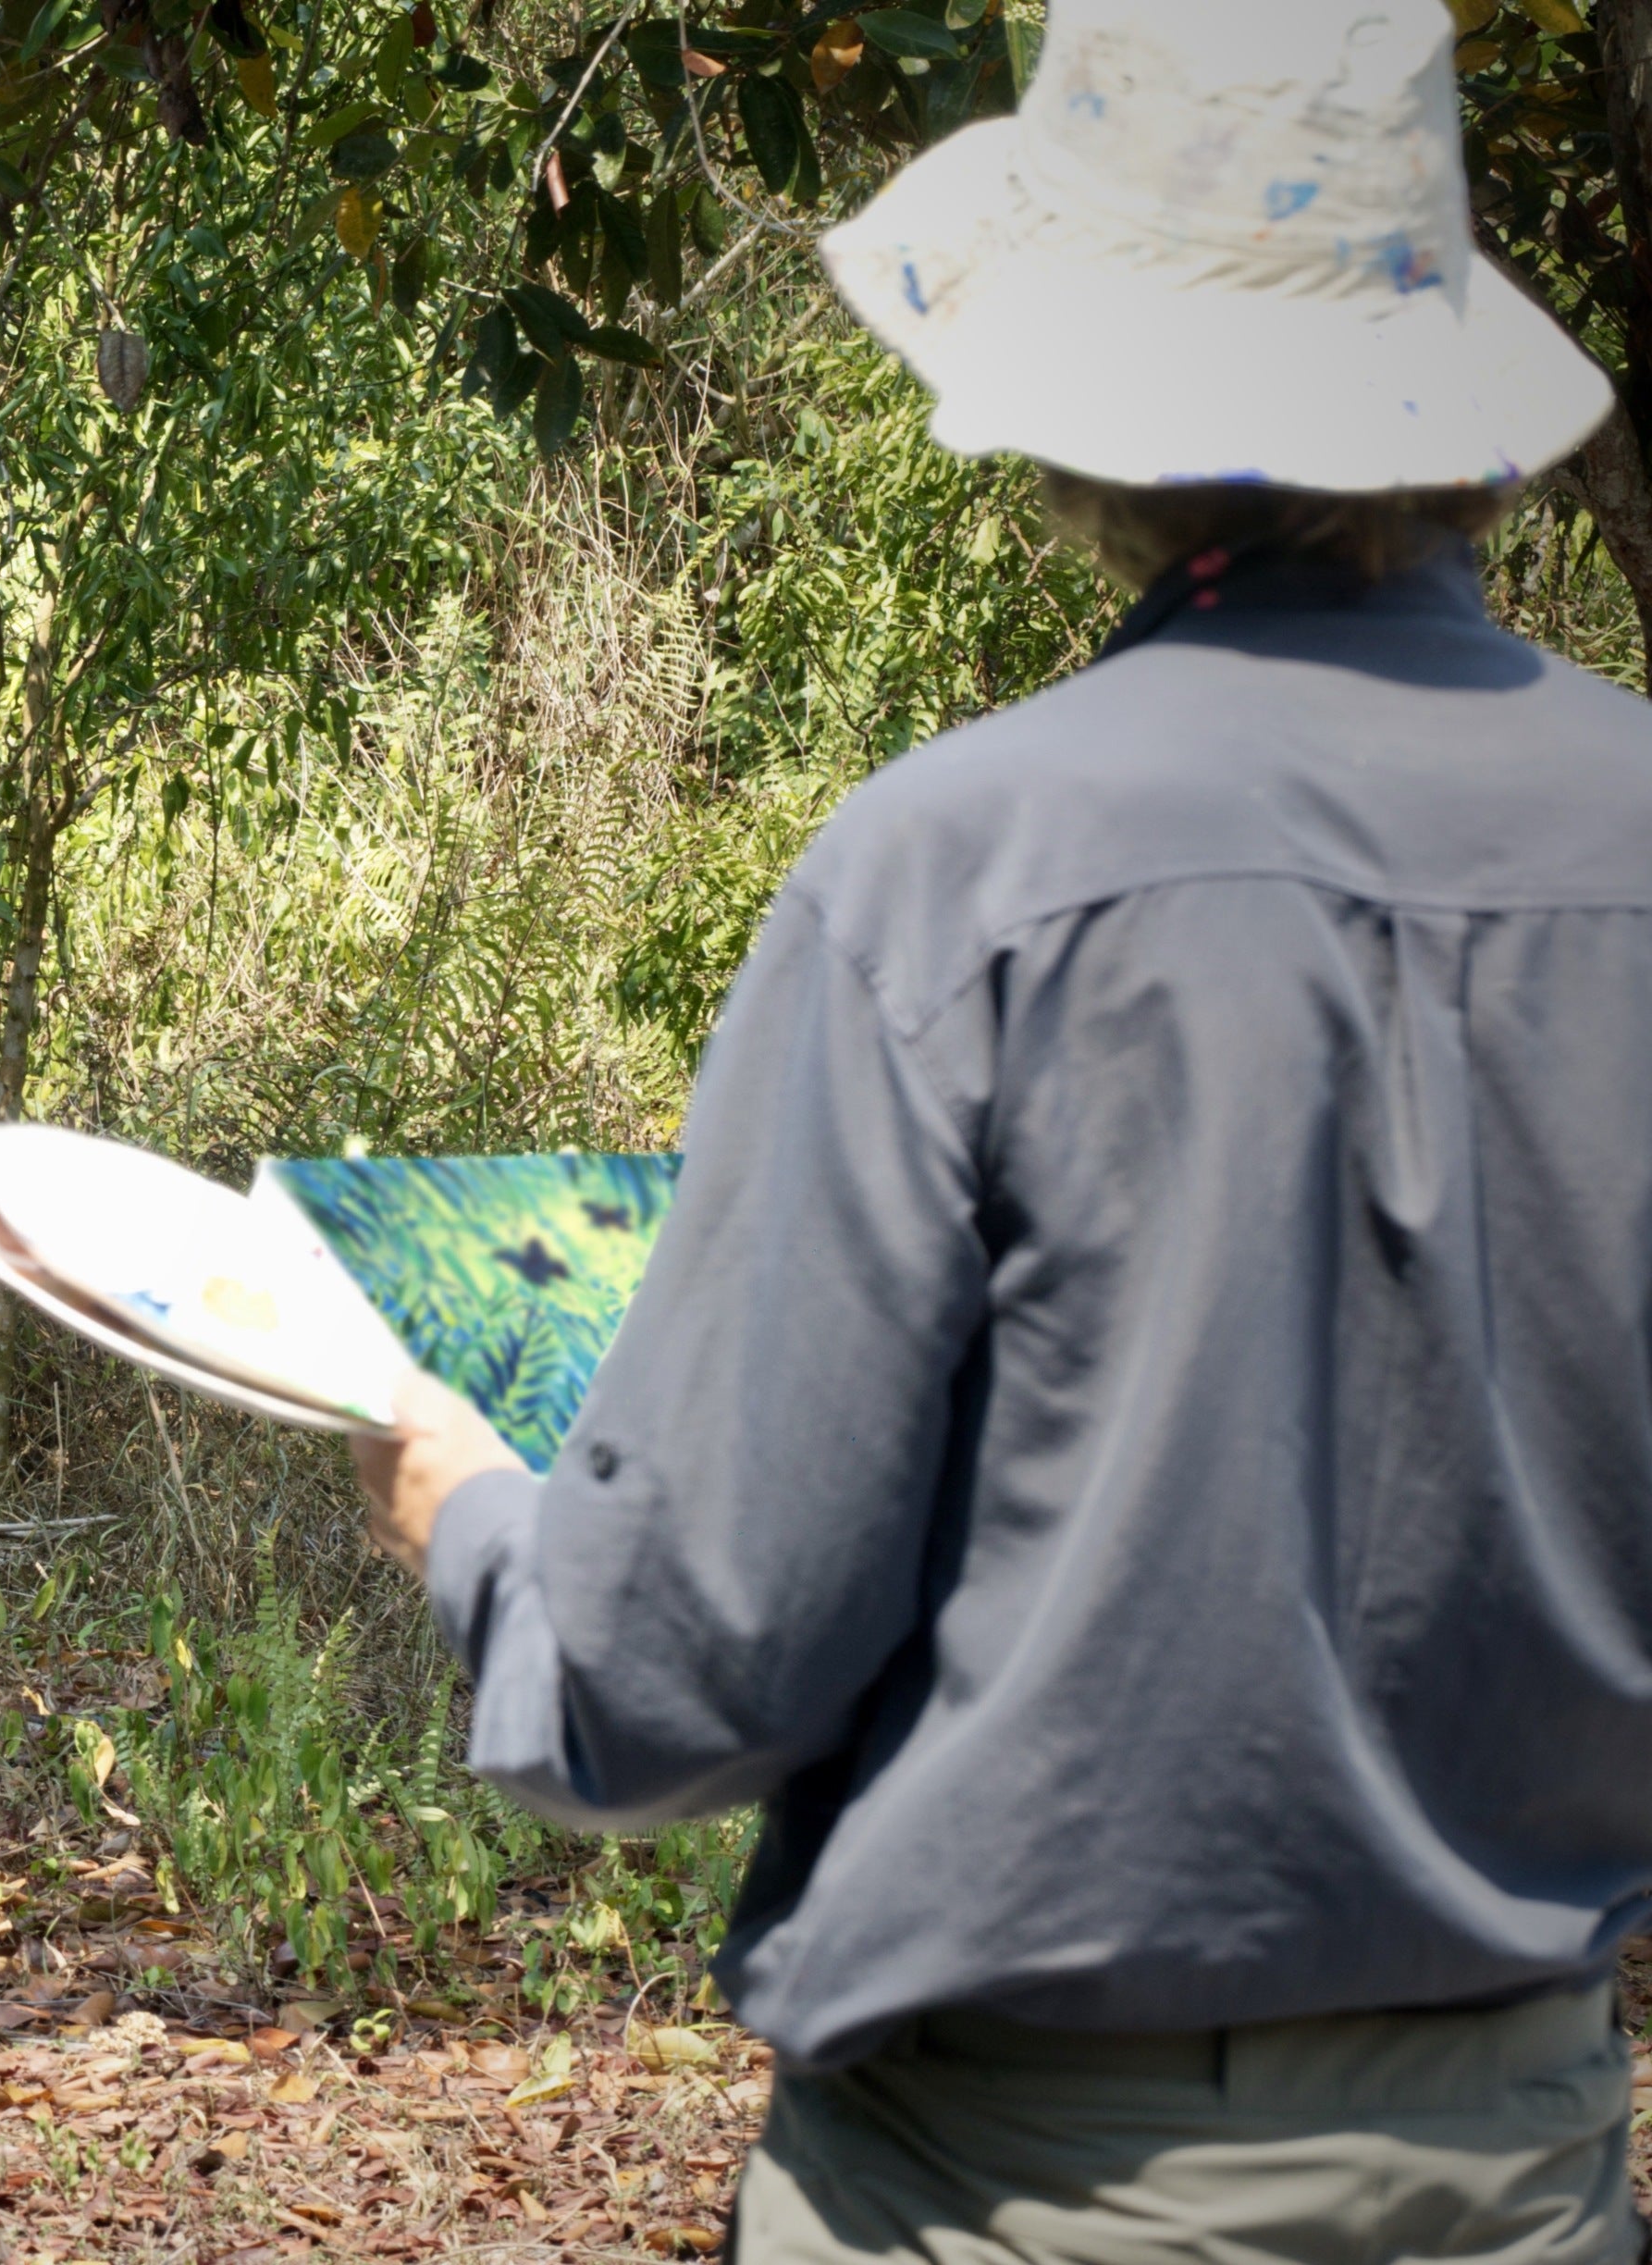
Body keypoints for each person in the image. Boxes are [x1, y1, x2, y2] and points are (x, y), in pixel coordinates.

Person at [353, 3, 1652, 2259]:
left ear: (1080, 405)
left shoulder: (951, 879)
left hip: (1009, 2192)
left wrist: (474, 1520)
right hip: (1521, 2164)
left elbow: (678, 1669)